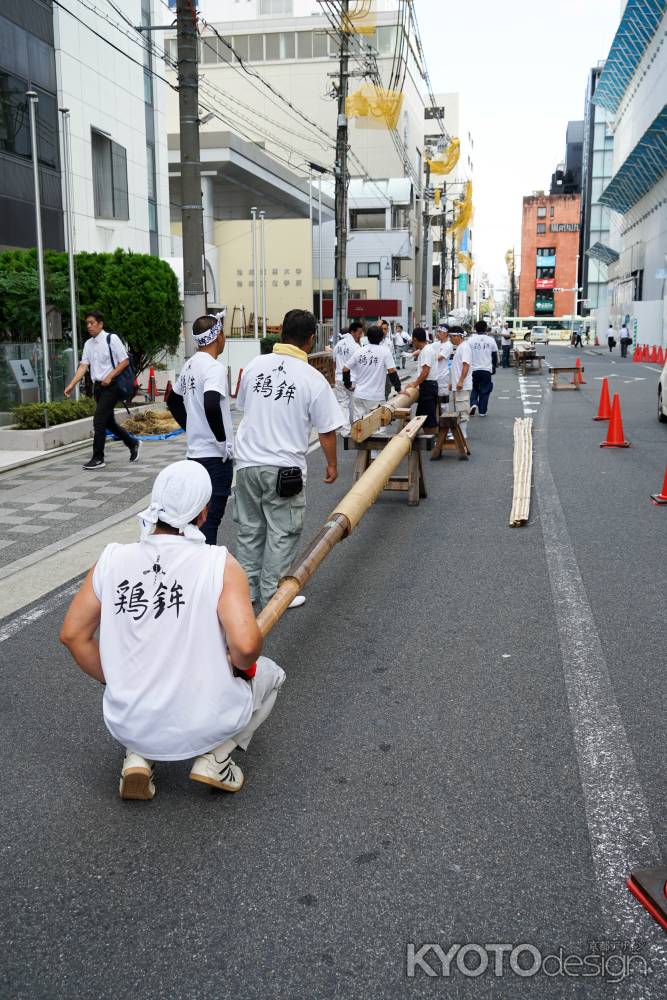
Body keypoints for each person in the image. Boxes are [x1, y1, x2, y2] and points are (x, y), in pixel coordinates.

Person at [59, 460, 285, 800]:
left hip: (129, 719)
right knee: (271, 673)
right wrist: (236, 665)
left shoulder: (111, 558)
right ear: (203, 513)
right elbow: (247, 645)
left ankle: (137, 756)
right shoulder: (218, 563)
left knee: (145, 680)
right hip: (203, 717)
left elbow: (73, 635)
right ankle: (216, 758)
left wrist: (114, 679)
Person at [234, 309, 341, 611]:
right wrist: (332, 465)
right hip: (284, 470)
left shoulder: (255, 365)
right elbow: (327, 430)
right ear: (310, 340)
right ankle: (274, 597)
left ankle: (245, 593)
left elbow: (242, 404)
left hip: (246, 465)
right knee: (283, 532)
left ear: (281, 334)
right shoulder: (312, 378)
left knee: (249, 530)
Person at [166, 312, 234, 545]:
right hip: (214, 459)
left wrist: (191, 427)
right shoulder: (214, 367)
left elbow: (172, 400)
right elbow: (212, 403)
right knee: (212, 520)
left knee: (196, 521)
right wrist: (221, 441)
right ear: (218, 337)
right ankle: (206, 574)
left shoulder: (190, 365)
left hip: (194, 455)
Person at [64, 310, 140, 470]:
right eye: (87, 323)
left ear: (100, 324)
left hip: (112, 385)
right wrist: (72, 384)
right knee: (109, 423)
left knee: (99, 420)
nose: (89, 326)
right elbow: (83, 366)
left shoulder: (111, 339)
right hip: (98, 387)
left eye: (92, 323)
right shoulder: (88, 344)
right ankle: (132, 443)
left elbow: (124, 361)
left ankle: (98, 458)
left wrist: (110, 376)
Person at [343, 324, 401, 422]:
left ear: (367, 337)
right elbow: (392, 371)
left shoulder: (360, 351)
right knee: (378, 428)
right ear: (381, 337)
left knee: (359, 428)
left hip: (359, 395)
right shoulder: (385, 351)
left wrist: (348, 384)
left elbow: (345, 369)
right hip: (375, 397)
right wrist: (398, 389)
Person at [331, 320, 364, 436]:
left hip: (339, 377)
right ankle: (355, 426)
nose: (360, 335)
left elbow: (334, 361)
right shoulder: (355, 346)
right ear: (353, 332)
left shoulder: (338, 344)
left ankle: (345, 429)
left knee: (343, 404)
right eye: (359, 333)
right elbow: (360, 364)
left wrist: (336, 374)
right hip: (352, 378)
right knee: (354, 403)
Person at [404, 327, 439, 431]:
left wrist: (414, 384)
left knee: (427, 419)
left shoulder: (426, 351)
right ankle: (427, 443)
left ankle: (430, 443)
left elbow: (425, 372)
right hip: (427, 385)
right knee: (422, 417)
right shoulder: (426, 349)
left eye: (412, 340)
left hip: (428, 386)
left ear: (415, 339)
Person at [468, 320, 498, 417]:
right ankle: (482, 411)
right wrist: (494, 367)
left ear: (475, 329)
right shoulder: (491, 340)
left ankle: (473, 403)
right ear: (486, 329)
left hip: (474, 369)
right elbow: (494, 355)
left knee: (475, 388)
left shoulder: (471, 340)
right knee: (485, 390)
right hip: (486, 369)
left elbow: (467, 355)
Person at [448, 327, 472, 438]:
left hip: (462, 384)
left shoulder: (464, 347)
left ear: (458, 336)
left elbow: (466, 365)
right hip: (457, 384)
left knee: (462, 409)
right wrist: (452, 382)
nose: (450, 339)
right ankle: (458, 432)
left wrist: (461, 381)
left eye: (451, 337)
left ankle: (462, 433)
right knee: (458, 409)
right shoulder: (460, 347)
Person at [434, 326, 453, 410]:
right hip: (434, 375)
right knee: (435, 400)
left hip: (443, 376)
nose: (438, 334)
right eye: (437, 332)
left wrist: (428, 357)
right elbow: (425, 348)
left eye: (440, 332)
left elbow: (439, 358)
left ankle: (445, 419)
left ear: (446, 334)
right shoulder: (436, 344)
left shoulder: (448, 345)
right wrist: (411, 354)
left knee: (443, 402)